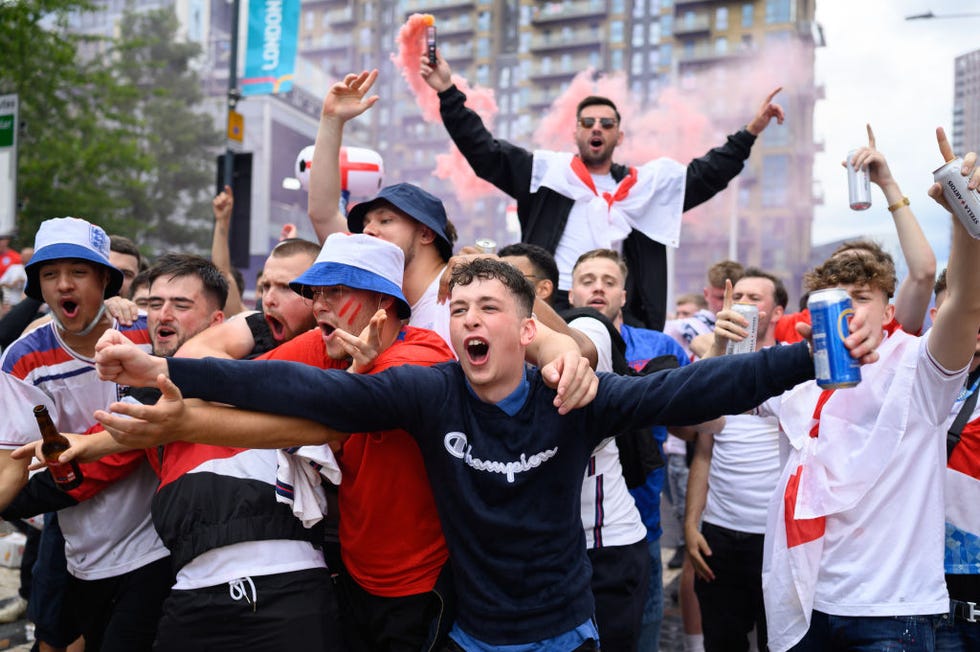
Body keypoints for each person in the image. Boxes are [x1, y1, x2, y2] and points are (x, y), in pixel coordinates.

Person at [760, 132, 980, 652]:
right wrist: (722, 346)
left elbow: (964, 301)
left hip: (891, 615)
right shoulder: (799, 380)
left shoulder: (917, 371)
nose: (848, 310)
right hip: (808, 604)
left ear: (890, 311)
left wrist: (963, 214)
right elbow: (713, 417)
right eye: (832, 300)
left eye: (862, 297)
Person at [421, 54, 783, 329]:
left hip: (624, 313)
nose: (597, 128)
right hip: (550, 303)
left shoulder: (645, 187)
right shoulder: (547, 173)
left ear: (618, 136)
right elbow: (484, 151)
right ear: (576, 132)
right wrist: (448, 92)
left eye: (607, 123)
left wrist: (749, 132)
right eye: (588, 122)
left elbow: (705, 175)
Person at [0, 217, 169, 652]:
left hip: (158, 541)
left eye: (78, 272)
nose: (64, 285)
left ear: (104, 280)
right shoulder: (23, 357)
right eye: (50, 275)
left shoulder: (148, 334)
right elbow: (12, 466)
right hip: (80, 545)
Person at [567, 248, 693, 652]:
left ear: (624, 293)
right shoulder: (547, 346)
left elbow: (690, 429)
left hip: (640, 526)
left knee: (642, 639)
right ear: (570, 294)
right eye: (587, 279)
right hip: (567, 534)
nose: (598, 287)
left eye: (609, 280)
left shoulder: (658, 346)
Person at [685, 268, 788, 652]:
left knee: (777, 643)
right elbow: (704, 450)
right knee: (723, 642)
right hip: (720, 535)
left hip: (777, 538)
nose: (743, 306)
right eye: (737, 297)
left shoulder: (793, 365)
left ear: (776, 312)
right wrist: (692, 525)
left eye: (754, 299)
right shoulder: (713, 365)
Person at [774, 125, 936, 344]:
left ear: (886, 310)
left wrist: (888, 184)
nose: (849, 272)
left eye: (861, 294)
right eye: (839, 269)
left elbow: (923, 274)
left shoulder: (889, 329)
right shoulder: (798, 325)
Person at [929, 269, 980, 651]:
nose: (971, 321)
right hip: (922, 578)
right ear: (936, 316)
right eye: (959, 309)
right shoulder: (909, 380)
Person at [176, 238, 320, 359]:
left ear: (320, 293)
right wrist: (248, 378)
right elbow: (188, 354)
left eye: (286, 288)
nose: (268, 300)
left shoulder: (337, 337)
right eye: (266, 286)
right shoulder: (257, 326)